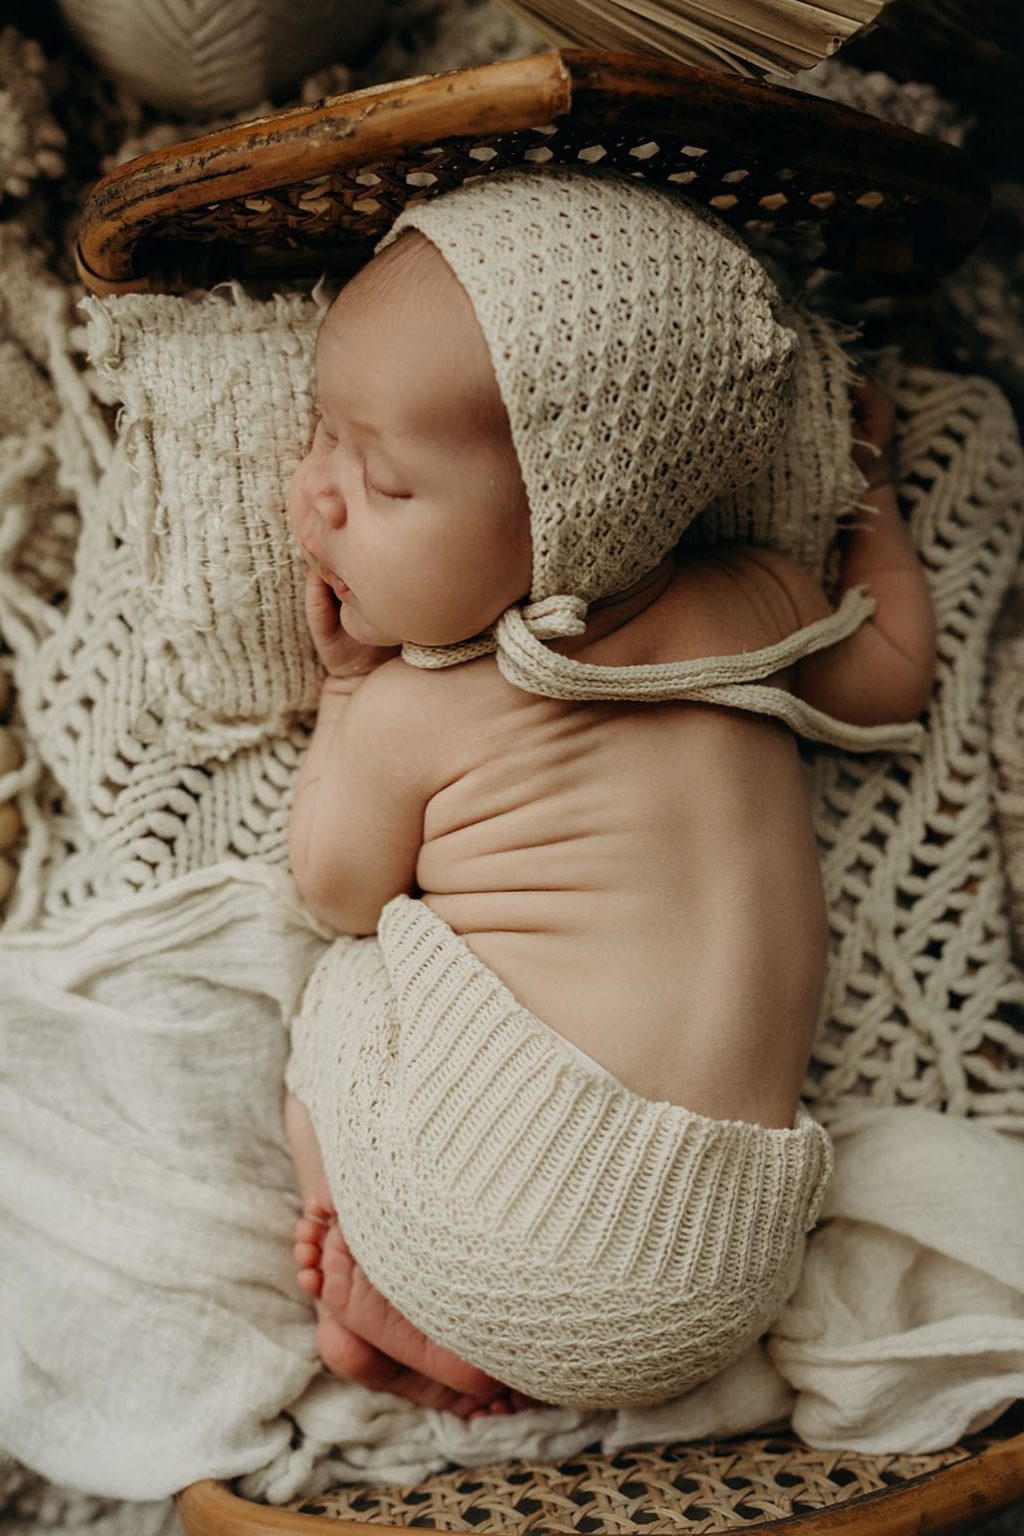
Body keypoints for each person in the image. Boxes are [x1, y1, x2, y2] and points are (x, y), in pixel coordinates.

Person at [282, 168, 936, 1421]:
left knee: (341, 986)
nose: (316, 491)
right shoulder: (756, 596)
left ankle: (378, 1289)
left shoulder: (429, 702)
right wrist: (875, 505)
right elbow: (894, 679)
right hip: (718, 1264)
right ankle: (479, 1334)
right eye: (325, 435)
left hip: (524, 1213)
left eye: (383, 483)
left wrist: (351, 692)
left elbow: (332, 889)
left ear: (568, 520)